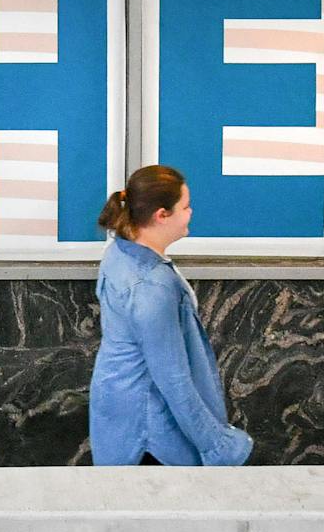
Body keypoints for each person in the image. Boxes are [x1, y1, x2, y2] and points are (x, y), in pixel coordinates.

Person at [88, 164, 253, 466]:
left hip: (120, 412)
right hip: (151, 430)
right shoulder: (152, 285)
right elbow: (173, 379)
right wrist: (219, 447)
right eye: (185, 207)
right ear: (161, 215)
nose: (191, 213)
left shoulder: (120, 251)